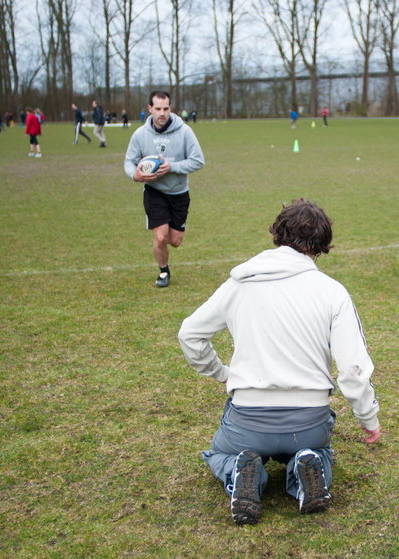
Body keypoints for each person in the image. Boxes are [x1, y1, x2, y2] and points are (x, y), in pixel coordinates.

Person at [178, 199, 382, 526]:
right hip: (309, 424)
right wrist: (368, 418)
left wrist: (221, 373)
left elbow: (190, 334)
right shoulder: (332, 292)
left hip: (247, 422)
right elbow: (353, 368)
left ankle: (240, 470)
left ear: (277, 234)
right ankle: (306, 466)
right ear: (321, 245)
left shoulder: (239, 284)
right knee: (321, 454)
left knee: (219, 454)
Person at [123, 90, 205, 288]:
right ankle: (163, 272)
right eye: (157, 109)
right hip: (154, 191)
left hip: (179, 193)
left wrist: (172, 166)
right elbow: (129, 162)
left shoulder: (184, 131)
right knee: (160, 237)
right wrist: (135, 175)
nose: (162, 113)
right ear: (150, 109)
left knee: (174, 241)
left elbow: (198, 161)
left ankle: (164, 242)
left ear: (171, 108)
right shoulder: (140, 135)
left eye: (166, 109)